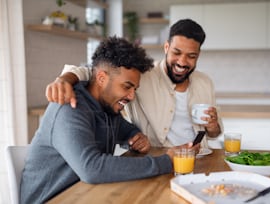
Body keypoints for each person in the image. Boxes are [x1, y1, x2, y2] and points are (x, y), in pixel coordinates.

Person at [20, 36, 199, 204]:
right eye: (127, 87)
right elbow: (92, 168)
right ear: (101, 78)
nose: (131, 96)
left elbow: (124, 128)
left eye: (134, 89)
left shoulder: (106, 107)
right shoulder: (70, 107)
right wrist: (166, 161)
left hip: (86, 195)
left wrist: (136, 136)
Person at [46, 18, 223, 147]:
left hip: (200, 158)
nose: (183, 62)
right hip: (158, 158)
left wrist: (213, 126)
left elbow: (214, 134)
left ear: (198, 55)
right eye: (177, 52)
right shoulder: (143, 74)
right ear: (166, 47)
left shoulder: (205, 83)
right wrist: (64, 79)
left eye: (191, 56)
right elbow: (95, 73)